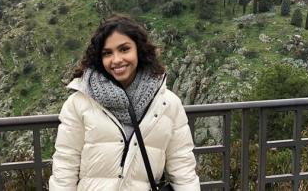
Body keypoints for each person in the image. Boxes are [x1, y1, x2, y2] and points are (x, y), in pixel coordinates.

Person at [49, 15, 200, 191]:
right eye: (107, 53)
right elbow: (65, 165)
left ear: (139, 50)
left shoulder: (168, 104)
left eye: (124, 49)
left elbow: (182, 167)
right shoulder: (80, 102)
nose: (116, 60)